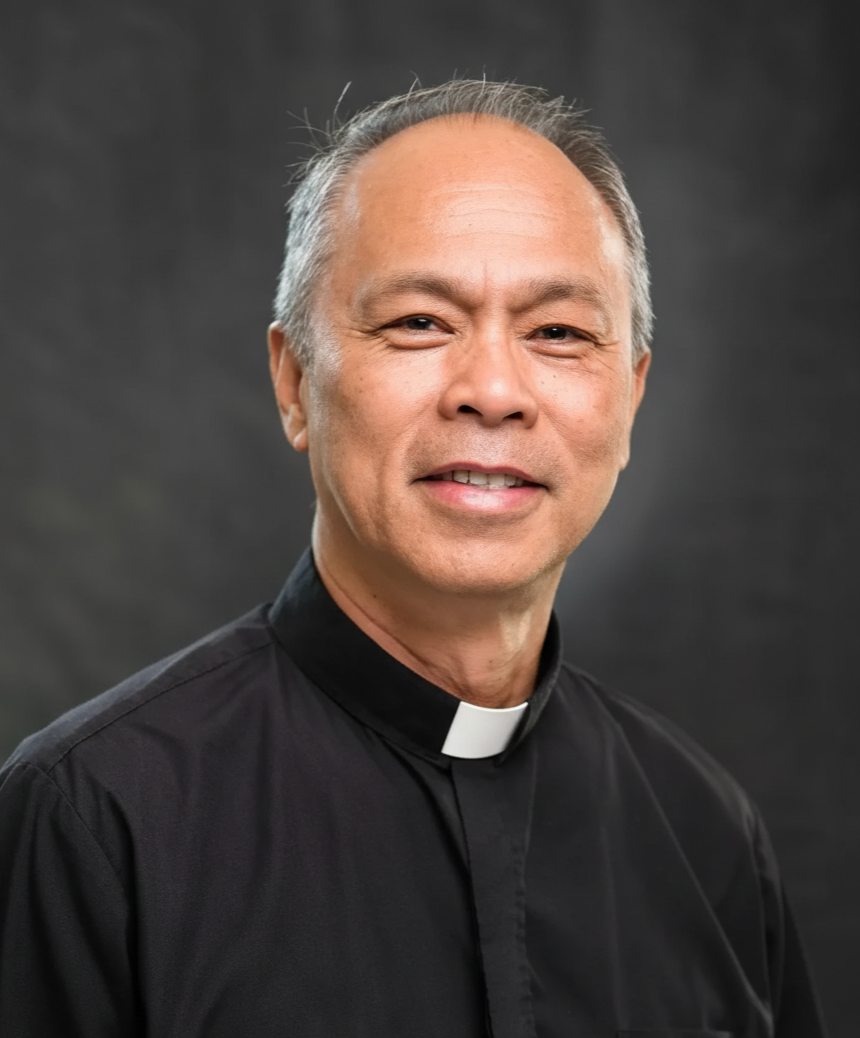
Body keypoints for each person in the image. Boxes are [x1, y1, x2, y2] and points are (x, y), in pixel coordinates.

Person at [0, 80, 827, 1037]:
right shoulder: (95, 822)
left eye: (558, 332)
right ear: (296, 382)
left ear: (631, 397)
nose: (492, 390)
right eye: (419, 323)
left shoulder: (704, 834)